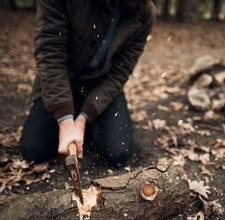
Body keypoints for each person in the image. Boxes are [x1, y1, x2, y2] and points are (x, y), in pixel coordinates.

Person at [20, 0, 156, 167]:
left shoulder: (145, 14)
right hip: (62, 78)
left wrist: (83, 119)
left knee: (118, 153)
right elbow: (49, 55)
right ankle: (72, 111)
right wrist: (65, 120)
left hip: (101, 84)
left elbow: (120, 73)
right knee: (34, 150)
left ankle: (86, 118)